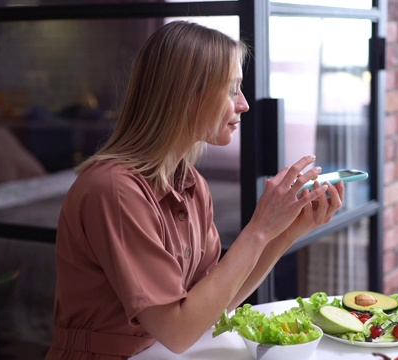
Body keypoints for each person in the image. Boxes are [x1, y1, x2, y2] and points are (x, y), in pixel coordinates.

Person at [45, 20, 344, 360]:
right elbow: (179, 330)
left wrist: (287, 231)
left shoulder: (190, 184)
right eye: (232, 90)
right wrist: (259, 228)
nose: (244, 104)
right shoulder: (114, 190)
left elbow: (213, 306)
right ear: (186, 95)